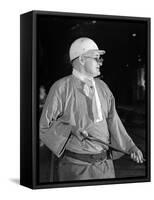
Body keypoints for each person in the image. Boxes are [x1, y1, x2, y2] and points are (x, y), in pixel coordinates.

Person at [40, 37, 144, 181]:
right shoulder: (61, 88)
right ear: (82, 59)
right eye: (96, 58)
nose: (100, 62)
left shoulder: (103, 87)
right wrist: (70, 129)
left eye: (100, 58)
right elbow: (45, 126)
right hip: (76, 170)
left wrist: (131, 147)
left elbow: (114, 121)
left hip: (106, 168)